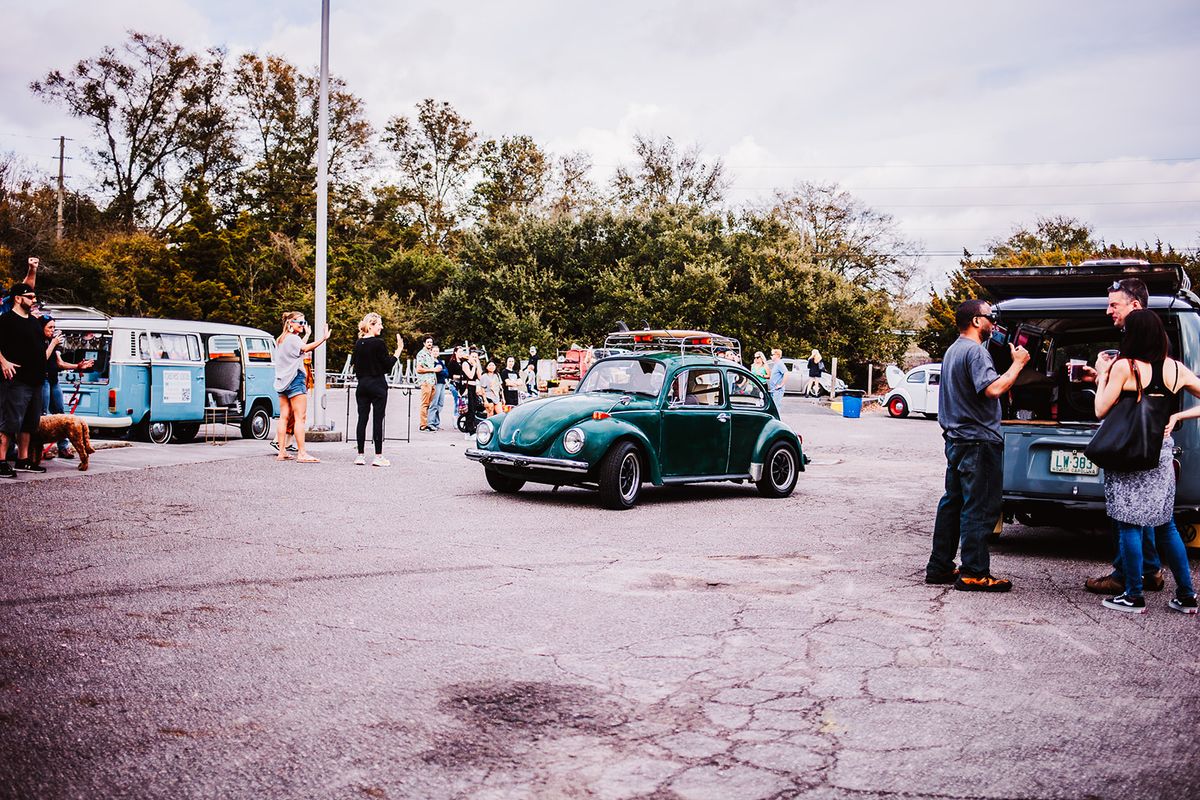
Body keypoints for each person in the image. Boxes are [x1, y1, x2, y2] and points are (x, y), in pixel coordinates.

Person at [1091, 309, 1198, 613]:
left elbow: (1100, 409)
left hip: (1128, 453)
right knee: (1166, 526)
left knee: (1128, 524)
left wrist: (1102, 375)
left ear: (1133, 336)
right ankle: (1187, 595)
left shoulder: (1125, 366)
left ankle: (1133, 594)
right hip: (1161, 453)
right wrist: (1178, 414)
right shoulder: (1177, 369)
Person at [925, 300, 1030, 592]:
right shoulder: (976, 353)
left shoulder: (953, 350)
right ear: (975, 321)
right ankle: (974, 572)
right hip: (979, 441)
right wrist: (1018, 365)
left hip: (956, 440)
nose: (993, 323)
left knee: (953, 503)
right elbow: (993, 388)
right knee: (980, 507)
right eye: (989, 317)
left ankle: (940, 565)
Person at [1080, 277, 1167, 595]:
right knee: (1143, 509)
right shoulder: (1154, 344)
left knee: (1126, 510)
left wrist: (1104, 375)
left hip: (1131, 441)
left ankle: (1125, 576)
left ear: (1135, 306)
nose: (1108, 311)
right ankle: (1150, 569)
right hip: (1148, 439)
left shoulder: (1136, 349)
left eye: (1113, 304)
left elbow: (1102, 409)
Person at [0, 283, 49, 476]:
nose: (34, 300)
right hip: (16, 380)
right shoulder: (6, 320)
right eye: (30, 296)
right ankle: (2, 460)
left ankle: (23, 459)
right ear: (18, 298)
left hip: (36, 380)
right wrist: (3, 362)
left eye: (34, 297)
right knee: (9, 422)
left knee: (29, 423)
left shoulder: (34, 322)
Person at [272, 311, 329, 463]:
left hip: (282, 381)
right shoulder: (293, 338)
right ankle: (302, 453)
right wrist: (323, 339)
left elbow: (298, 347)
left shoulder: (281, 339)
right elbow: (305, 348)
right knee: (300, 418)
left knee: (283, 417)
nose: (303, 325)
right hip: (295, 380)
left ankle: (282, 451)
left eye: (304, 323)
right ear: (290, 323)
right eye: (300, 323)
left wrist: (307, 335)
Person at [351, 313, 401, 466]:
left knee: (362, 419)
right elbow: (387, 365)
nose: (381, 327)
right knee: (377, 419)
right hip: (378, 384)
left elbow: (354, 364)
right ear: (371, 325)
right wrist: (398, 350)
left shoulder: (358, 343)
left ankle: (360, 455)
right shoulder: (379, 343)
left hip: (362, 385)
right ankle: (378, 456)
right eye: (379, 324)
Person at [41, 316, 94, 459]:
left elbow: (60, 363)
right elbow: (40, 360)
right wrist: (52, 343)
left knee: (60, 412)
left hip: (53, 379)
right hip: (42, 379)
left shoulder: (54, 342)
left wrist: (78, 366)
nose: (53, 330)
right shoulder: (41, 341)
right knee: (42, 415)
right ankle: (39, 448)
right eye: (49, 327)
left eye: (54, 327)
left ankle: (63, 447)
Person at [415, 337, 438, 432]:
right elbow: (419, 369)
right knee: (424, 404)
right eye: (428, 342)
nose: (429, 344)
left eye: (431, 342)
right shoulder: (421, 354)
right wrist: (433, 370)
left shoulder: (431, 354)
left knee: (429, 404)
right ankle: (423, 425)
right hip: (425, 382)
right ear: (424, 343)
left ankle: (427, 423)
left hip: (432, 382)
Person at [460, 350, 482, 435]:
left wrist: (477, 365)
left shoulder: (475, 365)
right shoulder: (465, 364)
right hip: (467, 387)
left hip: (474, 387)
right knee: (470, 408)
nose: (474, 358)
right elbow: (470, 375)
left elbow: (479, 376)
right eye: (473, 356)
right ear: (469, 356)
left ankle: (472, 425)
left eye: (476, 357)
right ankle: (469, 428)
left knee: (475, 407)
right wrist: (474, 366)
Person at [428, 345, 447, 432]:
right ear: (431, 352)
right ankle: (430, 423)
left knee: (440, 404)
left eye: (437, 351)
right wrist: (438, 370)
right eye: (434, 351)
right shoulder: (430, 362)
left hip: (442, 383)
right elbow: (434, 371)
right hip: (436, 383)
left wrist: (440, 370)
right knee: (434, 403)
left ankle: (436, 422)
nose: (436, 352)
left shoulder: (440, 361)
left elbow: (446, 372)